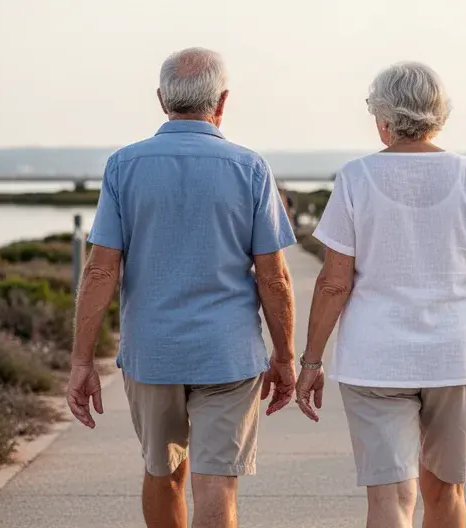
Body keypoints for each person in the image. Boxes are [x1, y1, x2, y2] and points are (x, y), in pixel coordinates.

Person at [294, 62, 466, 528]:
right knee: (445, 492)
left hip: (374, 359)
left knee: (389, 498)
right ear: (438, 114)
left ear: (384, 119)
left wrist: (310, 361)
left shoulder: (355, 177)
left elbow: (333, 282)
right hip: (455, 357)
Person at [67, 47, 298, 528]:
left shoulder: (123, 166)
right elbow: (273, 276)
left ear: (161, 99)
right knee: (216, 483)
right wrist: (284, 357)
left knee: (163, 472)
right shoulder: (250, 168)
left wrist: (81, 361)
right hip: (228, 354)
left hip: (153, 354)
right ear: (223, 101)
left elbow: (99, 271)